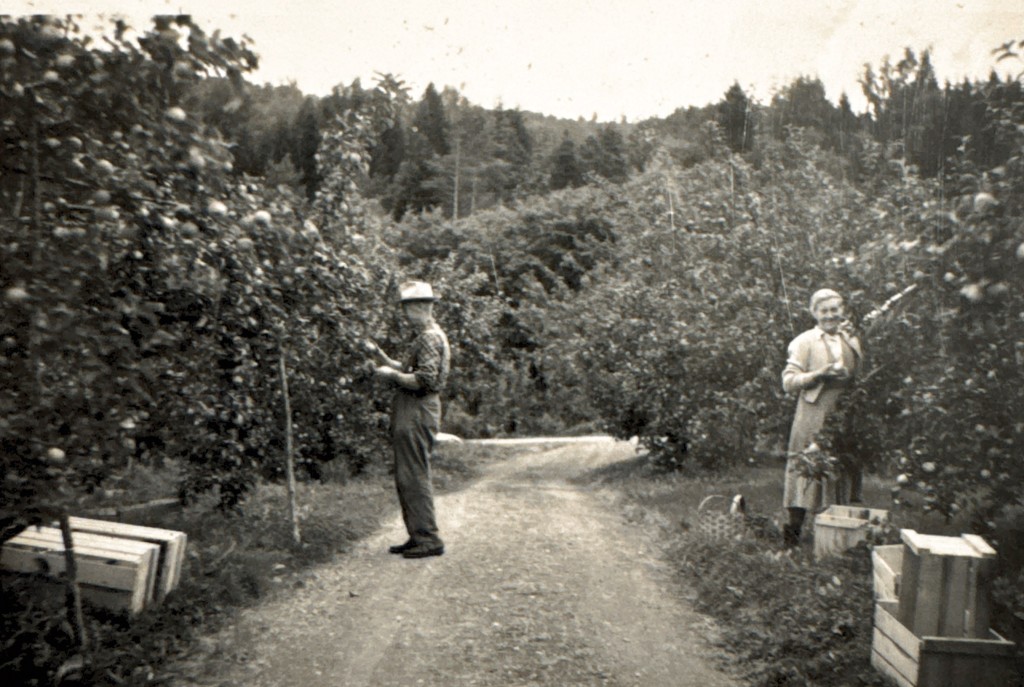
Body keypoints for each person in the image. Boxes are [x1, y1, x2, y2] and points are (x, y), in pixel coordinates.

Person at [365, 280, 451, 559]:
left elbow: (424, 379)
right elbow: (408, 368)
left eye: (408, 307)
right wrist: (381, 356)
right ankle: (418, 534)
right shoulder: (428, 335)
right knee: (408, 474)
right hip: (415, 408)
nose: (405, 314)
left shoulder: (428, 338)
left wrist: (391, 376)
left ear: (423, 307)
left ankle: (428, 538)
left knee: (413, 474)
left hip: (418, 408)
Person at [780, 288, 863, 547]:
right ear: (814, 313)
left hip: (843, 413)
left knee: (839, 469)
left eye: (834, 309)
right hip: (814, 412)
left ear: (842, 311)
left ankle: (837, 538)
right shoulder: (804, 342)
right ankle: (792, 538)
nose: (829, 315)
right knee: (804, 469)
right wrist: (819, 374)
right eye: (823, 311)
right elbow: (788, 382)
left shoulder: (851, 338)